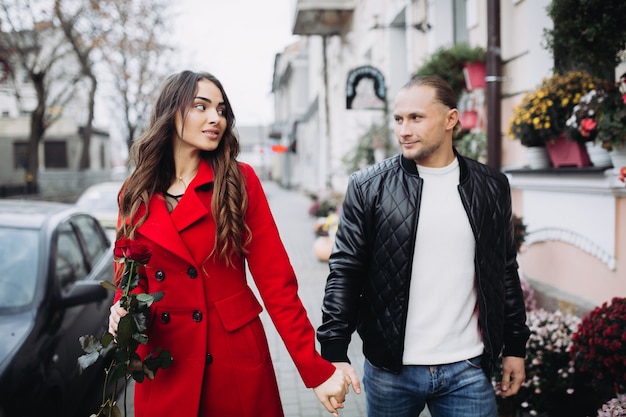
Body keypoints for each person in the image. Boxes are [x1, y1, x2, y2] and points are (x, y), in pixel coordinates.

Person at [107, 70, 351, 417]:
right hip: (165, 362)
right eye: (201, 107)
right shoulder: (134, 192)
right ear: (171, 112)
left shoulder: (238, 181)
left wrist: (314, 370)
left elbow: (276, 284)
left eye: (221, 110)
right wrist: (121, 310)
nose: (215, 118)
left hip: (231, 358)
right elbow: (130, 277)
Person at [317, 75, 530, 417]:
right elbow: (345, 272)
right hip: (391, 370)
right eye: (398, 119)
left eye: (416, 118)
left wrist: (515, 346)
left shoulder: (492, 186)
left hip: (468, 369)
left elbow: (505, 269)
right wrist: (334, 351)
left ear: (450, 119)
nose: (403, 130)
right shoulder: (368, 187)